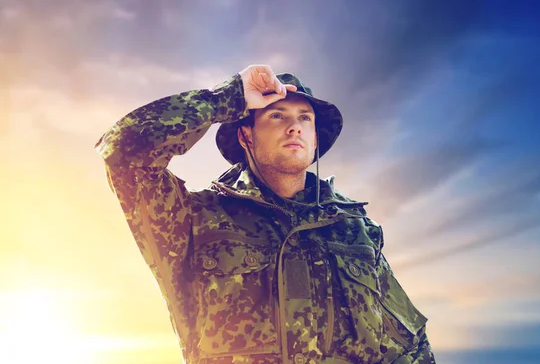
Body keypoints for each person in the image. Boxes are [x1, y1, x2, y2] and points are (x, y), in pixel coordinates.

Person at [95, 64, 436, 364]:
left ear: (315, 139)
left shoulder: (355, 230)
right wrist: (228, 98)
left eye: (305, 118)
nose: (294, 127)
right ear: (245, 135)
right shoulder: (195, 219)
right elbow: (124, 151)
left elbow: (410, 345)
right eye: (277, 115)